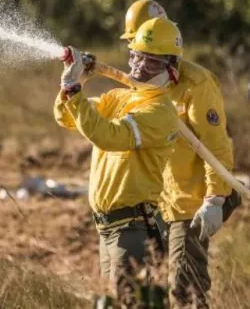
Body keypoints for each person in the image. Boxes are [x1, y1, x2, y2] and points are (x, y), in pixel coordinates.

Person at [54, 18, 182, 306]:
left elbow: (108, 136)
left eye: (151, 62)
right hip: (107, 228)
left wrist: (75, 89)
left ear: (171, 71)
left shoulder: (160, 112)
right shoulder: (119, 96)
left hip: (134, 229)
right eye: (136, 56)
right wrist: (73, 83)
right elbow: (67, 118)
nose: (139, 66)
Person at [121, 0, 234, 308]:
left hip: (191, 203)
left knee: (185, 291)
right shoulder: (142, 82)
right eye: (134, 50)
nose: (140, 63)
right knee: (150, 284)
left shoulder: (196, 84)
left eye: (150, 57)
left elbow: (217, 146)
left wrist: (214, 200)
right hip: (158, 201)